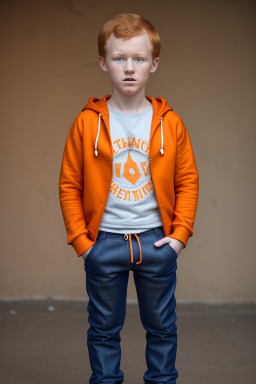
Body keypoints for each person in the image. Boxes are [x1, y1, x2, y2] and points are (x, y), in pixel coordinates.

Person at [59, 12, 199, 384]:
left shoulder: (170, 122)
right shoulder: (87, 122)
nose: (129, 68)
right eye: (119, 58)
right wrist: (83, 243)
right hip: (103, 242)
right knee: (103, 331)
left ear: (153, 64)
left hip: (157, 241)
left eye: (138, 59)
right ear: (104, 62)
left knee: (163, 329)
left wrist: (180, 237)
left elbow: (188, 181)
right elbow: (69, 184)